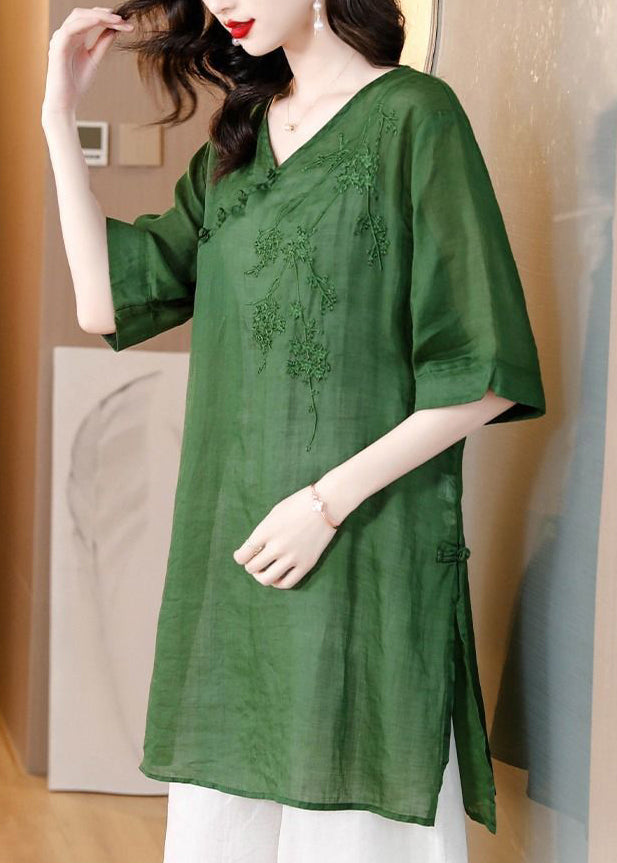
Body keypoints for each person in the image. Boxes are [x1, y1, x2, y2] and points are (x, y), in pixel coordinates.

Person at [42, 2, 547, 861]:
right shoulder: (236, 145)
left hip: (360, 543)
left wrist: (323, 504)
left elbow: (482, 371)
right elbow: (105, 304)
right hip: (239, 548)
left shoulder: (414, 116)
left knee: (350, 822)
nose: (224, 4)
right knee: (226, 819)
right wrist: (60, 116)